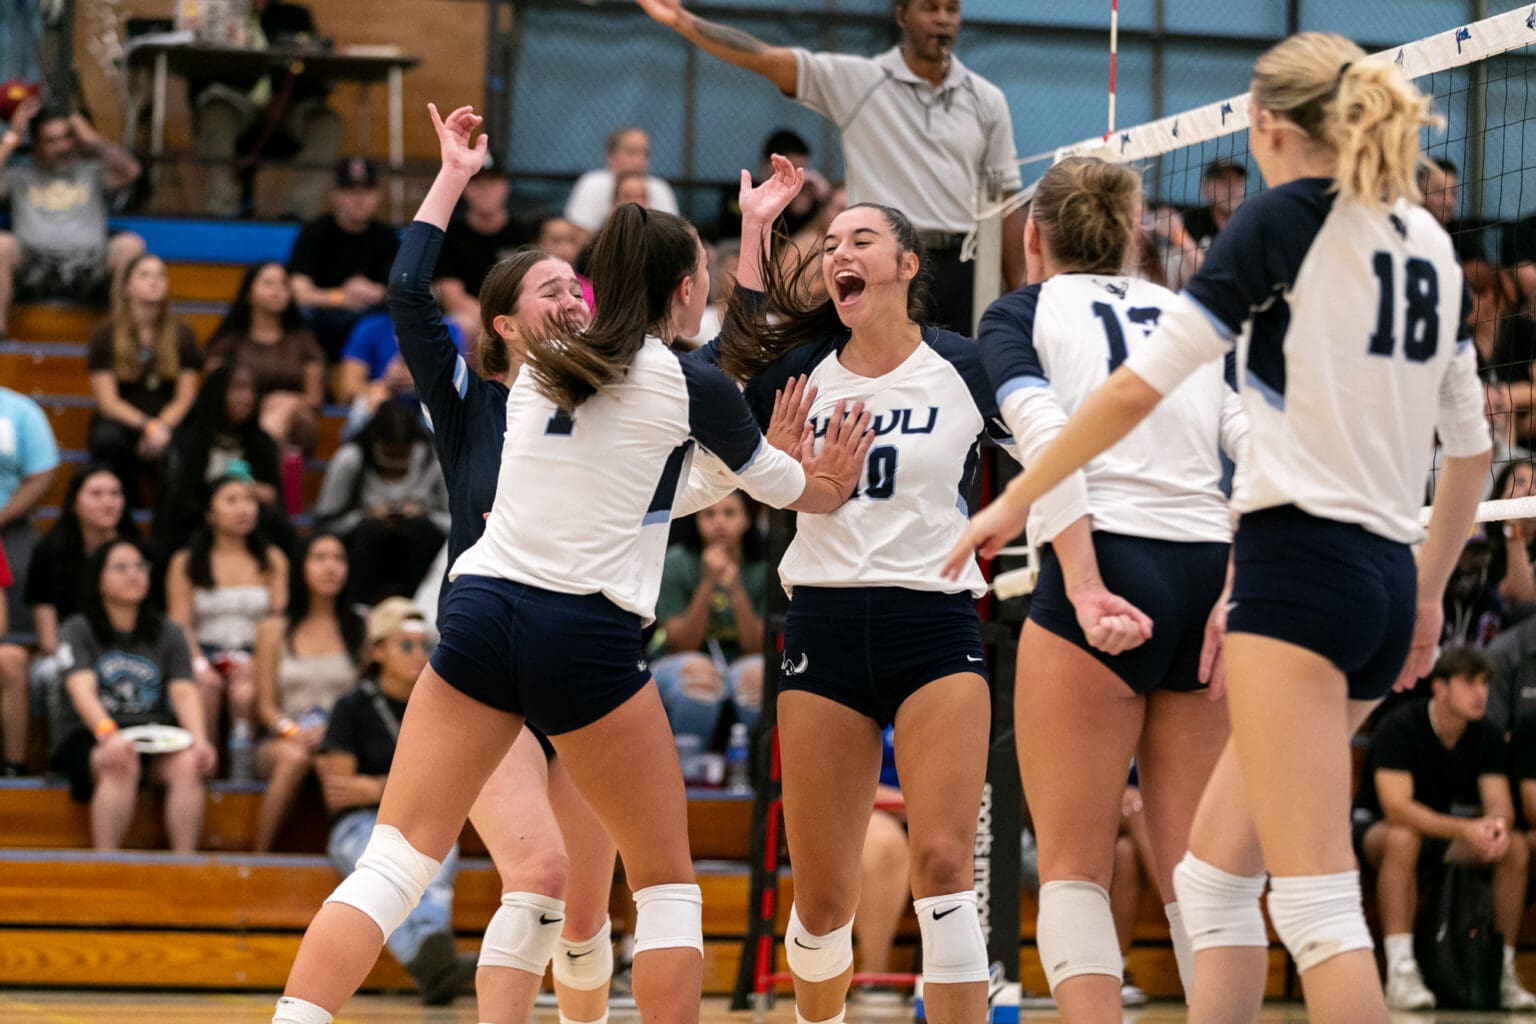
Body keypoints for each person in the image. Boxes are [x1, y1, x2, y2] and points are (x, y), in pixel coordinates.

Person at [268, 102, 870, 1024]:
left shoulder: (544, 363)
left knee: (398, 863)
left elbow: (709, 368)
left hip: (479, 616)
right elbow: (750, 422)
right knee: (666, 887)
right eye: (697, 279)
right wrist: (824, 481)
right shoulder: (678, 382)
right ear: (679, 289)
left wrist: (750, 239)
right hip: (580, 633)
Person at [946, 34, 1491, 1024]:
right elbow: (1471, 451)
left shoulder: (1278, 222)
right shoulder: (1429, 239)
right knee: (1209, 879)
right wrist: (1425, 592)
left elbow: (1123, 393)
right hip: (1354, 577)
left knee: (1315, 907)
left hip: (1281, 573)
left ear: (1270, 127)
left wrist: (1015, 503)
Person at [695, 186, 1039, 1024]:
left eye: (861, 240)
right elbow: (727, 367)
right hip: (824, 628)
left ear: (907, 265)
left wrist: (1028, 528)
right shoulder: (798, 372)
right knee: (819, 901)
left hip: (936, 624)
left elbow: (1056, 448)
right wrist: (767, 462)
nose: (839, 253)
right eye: (831, 243)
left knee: (947, 867)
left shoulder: (964, 364)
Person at [971, 155, 1244, 1021]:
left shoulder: (1019, 310)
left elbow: (1050, 434)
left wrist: (1084, 585)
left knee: (1073, 872)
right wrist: (1239, 589)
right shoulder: (1189, 312)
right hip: (1207, 571)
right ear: (1130, 238)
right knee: (1201, 876)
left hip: (1106, 558)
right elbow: (1257, 446)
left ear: (1032, 237)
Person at [637, 0, 1025, 331]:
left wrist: (1021, 288)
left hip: (963, 267)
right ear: (903, 14)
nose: (942, 18)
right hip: (882, 264)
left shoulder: (987, 100)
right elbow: (765, 58)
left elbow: (1006, 200)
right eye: (930, 7)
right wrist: (683, 21)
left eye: (951, 9)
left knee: (964, 391)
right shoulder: (860, 81)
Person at [1350, 647, 1533, 1010]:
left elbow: (1501, 805)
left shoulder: (1486, 735)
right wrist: (1465, 829)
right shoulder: (1400, 726)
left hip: (1445, 835)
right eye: (1468, 682)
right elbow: (1396, 808)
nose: (1480, 693)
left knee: (1514, 846)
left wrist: (1493, 828)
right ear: (1439, 687)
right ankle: (1401, 970)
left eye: (1484, 683)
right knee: (1404, 839)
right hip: (1378, 829)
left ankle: (1502, 970)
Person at [318, 597, 474, 1005]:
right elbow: (339, 789)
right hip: (358, 822)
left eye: (424, 645)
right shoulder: (353, 705)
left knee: (437, 865)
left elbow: (449, 780)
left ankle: (430, 964)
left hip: (424, 815)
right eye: (405, 645)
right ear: (377, 651)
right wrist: (384, 790)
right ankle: (434, 959)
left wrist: (374, 785)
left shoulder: (444, 704)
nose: (417, 654)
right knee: (382, 868)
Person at [50, 537, 216, 850]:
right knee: (120, 760)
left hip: (153, 730)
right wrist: (108, 733)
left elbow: (184, 690)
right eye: (121, 568)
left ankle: (185, 866)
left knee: (189, 763)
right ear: (98, 579)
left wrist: (200, 738)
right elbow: (81, 690)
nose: (134, 574)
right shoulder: (78, 628)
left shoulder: (168, 631)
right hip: (91, 733)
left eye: (140, 566)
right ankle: (107, 863)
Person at [252, 531, 363, 852]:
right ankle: (259, 856)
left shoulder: (361, 628)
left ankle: (351, 857)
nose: (331, 567)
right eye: (320, 558)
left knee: (332, 762)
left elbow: (364, 702)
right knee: (296, 757)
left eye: (339, 559)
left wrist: (331, 732)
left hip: (341, 739)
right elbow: (266, 707)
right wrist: (294, 731)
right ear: (301, 567)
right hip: (282, 739)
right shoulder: (272, 629)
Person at [188, 0, 343, 219]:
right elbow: (197, 71)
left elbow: (315, 70)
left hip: (288, 107)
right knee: (215, 113)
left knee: (327, 123)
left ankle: (297, 213)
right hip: (235, 103)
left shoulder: (294, 16)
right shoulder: (214, 14)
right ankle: (221, 211)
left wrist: (285, 96)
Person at [165, 475, 289, 751]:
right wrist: (199, 664)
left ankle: (241, 772)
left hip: (255, 653)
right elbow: (179, 624)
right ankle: (204, 763)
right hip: (203, 653)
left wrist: (256, 662)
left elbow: (277, 622)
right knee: (205, 690)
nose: (243, 508)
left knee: (245, 695)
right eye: (231, 500)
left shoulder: (273, 559)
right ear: (209, 513)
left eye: (249, 500)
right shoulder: (185, 562)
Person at [0, 100, 143, 335]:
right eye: (52, 141)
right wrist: (13, 136)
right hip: (33, 268)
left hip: (89, 266)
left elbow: (131, 171)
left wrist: (90, 138)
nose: (62, 146)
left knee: (130, 245)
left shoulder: (93, 172)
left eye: (68, 137)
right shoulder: (19, 177)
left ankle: (122, 339)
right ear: (35, 145)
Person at [22, 465, 136, 730]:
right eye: (96, 494)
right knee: (51, 672)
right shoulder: (49, 551)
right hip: (68, 652)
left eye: (115, 493)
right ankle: (62, 752)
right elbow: (48, 638)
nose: (107, 501)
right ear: (75, 502)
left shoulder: (138, 554)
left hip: (130, 653)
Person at [650, 491, 766, 747]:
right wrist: (707, 583)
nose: (719, 522)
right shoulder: (675, 562)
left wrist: (735, 589)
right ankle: (688, 771)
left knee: (758, 675)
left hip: (741, 664)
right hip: (677, 663)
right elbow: (681, 645)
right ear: (696, 520)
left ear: (747, 519)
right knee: (699, 674)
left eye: (729, 513)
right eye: (709, 514)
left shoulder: (764, 566)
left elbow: (758, 647)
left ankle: (757, 770)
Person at [86, 254, 202, 505]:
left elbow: (185, 396)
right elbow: (108, 402)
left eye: (161, 275)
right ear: (128, 286)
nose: (155, 281)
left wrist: (161, 427)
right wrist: (147, 427)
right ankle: (122, 510)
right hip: (125, 419)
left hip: (170, 419)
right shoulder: (106, 334)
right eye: (145, 275)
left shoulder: (183, 333)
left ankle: (173, 520)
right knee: (108, 440)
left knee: (187, 442)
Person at [311, 400, 450, 604]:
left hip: (418, 544)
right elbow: (324, 525)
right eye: (389, 455)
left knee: (421, 529)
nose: (395, 465)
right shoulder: (350, 459)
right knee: (371, 531)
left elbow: (455, 524)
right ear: (375, 445)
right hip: (364, 545)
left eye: (402, 456)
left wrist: (425, 514)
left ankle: (420, 609)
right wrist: (364, 516)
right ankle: (358, 607)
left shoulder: (433, 459)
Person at [154, 365, 291, 560]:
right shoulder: (189, 441)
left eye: (251, 391)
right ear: (217, 394)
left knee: (282, 532)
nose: (246, 398)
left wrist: (260, 493)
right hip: (198, 525)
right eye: (237, 389)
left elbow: (273, 495)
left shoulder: (262, 442)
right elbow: (178, 501)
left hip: (252, 527)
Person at [287, 157, 401, 360]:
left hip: (372, 318)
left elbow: (403, 289)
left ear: (378, 195)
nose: (359, 199)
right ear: (336, 194)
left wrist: (378, 292)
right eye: (350, 191)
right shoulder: (314, 233)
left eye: (367, 191)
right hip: (323, 320)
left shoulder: (387, 237)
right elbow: (299, 292)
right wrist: (340, 297)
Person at [205, 261, 326, 451]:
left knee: (285, 411)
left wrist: (290, 401)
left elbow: (314, 399)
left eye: (283, 284)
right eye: (268, 283)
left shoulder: (305, 343)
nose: (277, 290)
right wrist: (257, 405)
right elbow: (214, 393)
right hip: (240, 416)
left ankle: (259, 464)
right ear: (248, 293)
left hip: (299, 421)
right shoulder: (228, 343)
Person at [432, 165, 526, 340]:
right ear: (465, 188)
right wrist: (495, 323)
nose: (485, 191)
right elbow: (452, 298)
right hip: (473, 317)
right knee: (463, 325)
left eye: (492, 183)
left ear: (505, 187)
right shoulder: (450, 235)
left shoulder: (523, 233)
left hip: (515, 314)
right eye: (477, 184)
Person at [850, 726, 908, 1004]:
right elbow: (834, 774)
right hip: (868, 805)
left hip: (941, 805)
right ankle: (874, 976)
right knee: (884, 844)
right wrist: (906, 803)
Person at [0, 384, 60, 642]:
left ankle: (22, 650)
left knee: (29, 569)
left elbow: (41, 474)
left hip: (11, 519)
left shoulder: (19, 409)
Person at [563, 127, 680, 237]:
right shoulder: (592, 183)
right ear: (611, 156)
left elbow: (672, 233)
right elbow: (580, 233)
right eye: (631, 152)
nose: (639, 160)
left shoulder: (660, 187)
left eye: (645, 153)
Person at [334, 310, 465, 407]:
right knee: (370, 402)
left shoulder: (446, 330)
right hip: (382, 405)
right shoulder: (369, 328)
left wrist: (421, 383)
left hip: (426, 408)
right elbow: (348, 391)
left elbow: (458, 388)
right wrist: (386, 384)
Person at [1178, 159, 1247, 250]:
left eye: (1237, 181)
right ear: (1205, 188)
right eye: (1224, 181)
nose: (1232, 189)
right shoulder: (1189, 223)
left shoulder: (1254, 222)